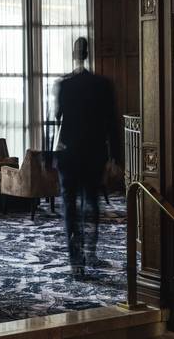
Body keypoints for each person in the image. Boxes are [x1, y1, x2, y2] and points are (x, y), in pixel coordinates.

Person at [55, 36, 118, 275]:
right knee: (91, 203)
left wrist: (51, 155)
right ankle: (91, 249)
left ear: (75, 54)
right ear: (88, 53)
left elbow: (58, 120)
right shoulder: (103, 85)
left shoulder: (65, 85)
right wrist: (115, 158)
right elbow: (112, 124)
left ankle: (76, 259)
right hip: (93, 155)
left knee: (70, 207)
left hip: (69, 156)